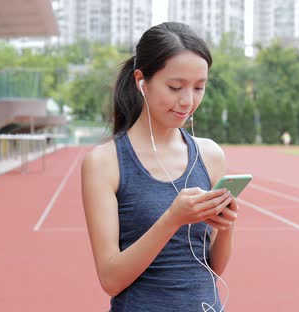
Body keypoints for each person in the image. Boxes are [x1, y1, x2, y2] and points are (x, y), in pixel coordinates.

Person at [81, 22, 238, 312]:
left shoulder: (210, 154)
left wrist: (225, 226)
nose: (188, 101)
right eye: (175, 87)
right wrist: (172, 219)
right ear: (142, 81)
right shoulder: (105, 162)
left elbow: (214, 267)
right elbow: (111, 279)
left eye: (199, 87)